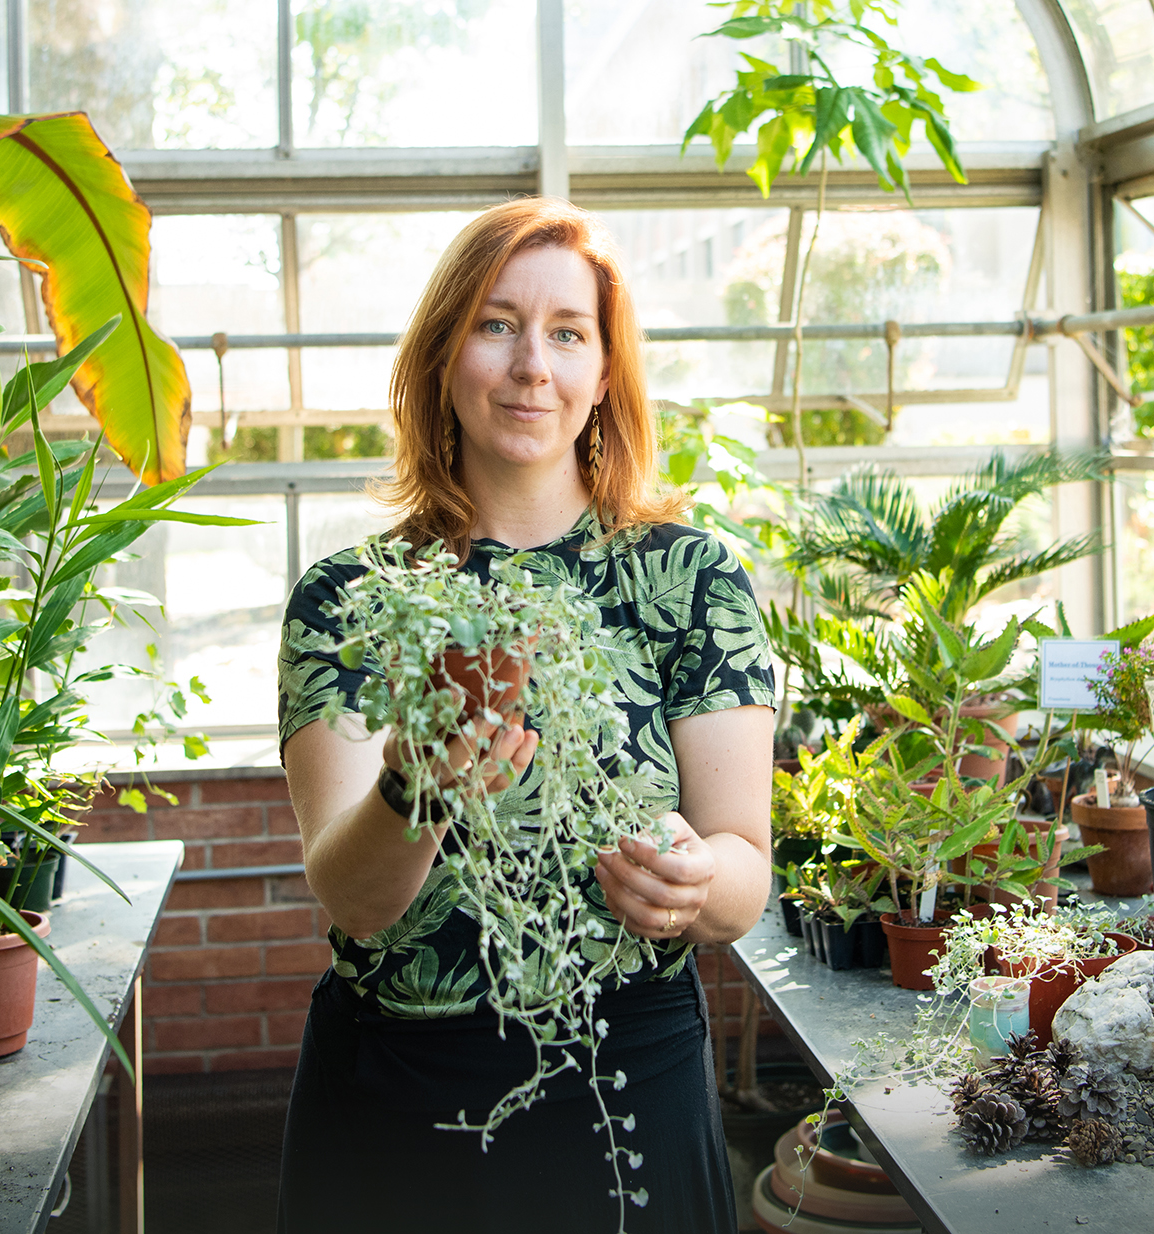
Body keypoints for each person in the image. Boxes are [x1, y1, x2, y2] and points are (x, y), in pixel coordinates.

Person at [272, 198, 777, 1234]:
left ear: (602, 375)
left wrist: (694, 878)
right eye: (496, 324)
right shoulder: (354, 599)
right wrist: (418, 786)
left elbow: (744, 878)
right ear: (444, 357)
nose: (530, 366)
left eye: (567, 333)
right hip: (398, 1096)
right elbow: (350, 896)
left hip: (625, 1078)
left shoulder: (688, 582)